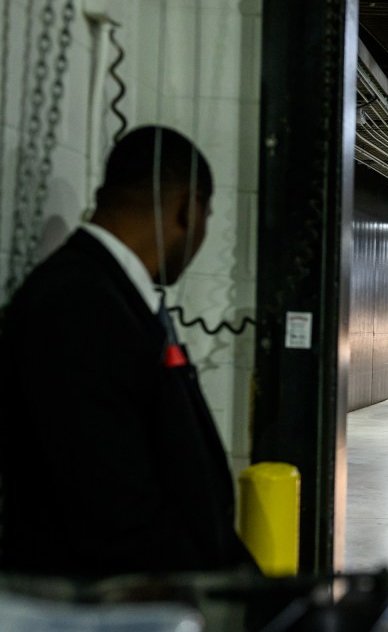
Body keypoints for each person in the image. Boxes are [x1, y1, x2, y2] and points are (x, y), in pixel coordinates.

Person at [0, 125, 257, 575]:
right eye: (207, 215)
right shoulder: (77, 307)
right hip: (113, 610)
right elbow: (116, 517)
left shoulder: (112, 296)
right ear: (188, 208)